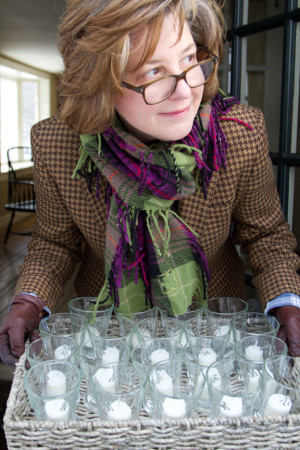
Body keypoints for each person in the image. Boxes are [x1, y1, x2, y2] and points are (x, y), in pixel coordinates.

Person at [0, 0, 300, 366]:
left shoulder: (238, 134)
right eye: (154, 72)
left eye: (190, 60)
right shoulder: (56, 143)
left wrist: (287, 301)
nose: (186, 90)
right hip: (107, 336)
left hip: (212, 334)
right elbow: (55, 242)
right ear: (100, 82)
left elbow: (264, 236)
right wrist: (27, 301)